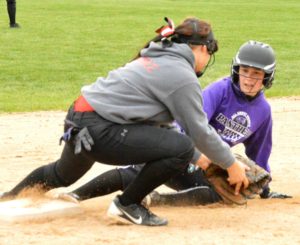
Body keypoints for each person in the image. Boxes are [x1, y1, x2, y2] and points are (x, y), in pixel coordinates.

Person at [0, 17, 249, 226]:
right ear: (203, 48)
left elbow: (154, 125)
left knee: (60, 174)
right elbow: (198, 131)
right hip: (100, 129)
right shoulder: (182, 74)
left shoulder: (156, 57)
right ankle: (127, 204)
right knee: (182, 146)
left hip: (79, 119)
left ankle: (8, 198)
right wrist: (230, 164)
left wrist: (201, 159)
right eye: (210, 53)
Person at [51, 40, 291, 206]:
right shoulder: (221, 90)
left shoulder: (263, 111)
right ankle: (75, 195)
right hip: (184, 149)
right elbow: (192, 125)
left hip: (212, 165)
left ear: (267, 78)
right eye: (245, 71)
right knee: (138, 172)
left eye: (256, 74)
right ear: (235, 70)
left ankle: (156, 200)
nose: (248, 79)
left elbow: (260, 153)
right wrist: (195, 155)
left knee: (222, 194)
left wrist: (265, 189)